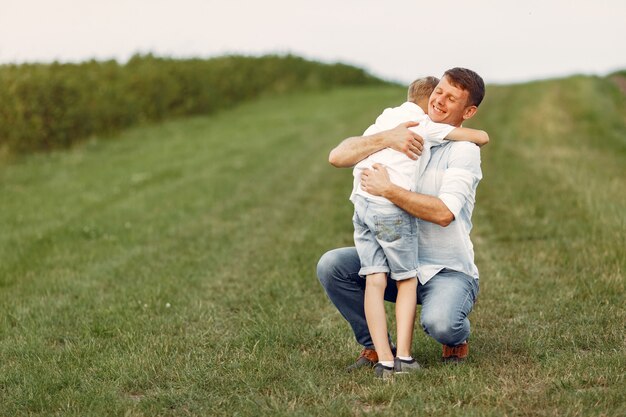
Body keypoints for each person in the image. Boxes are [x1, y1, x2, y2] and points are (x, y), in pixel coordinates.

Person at [319, 67, 486, 378]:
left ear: (469, 111)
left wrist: (388, 190)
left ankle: (456, 338)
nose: (440, 101)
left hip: (445, 270)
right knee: (332, 265)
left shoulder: (463, 151)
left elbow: (443, 213)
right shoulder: (402, 129)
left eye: (452, 99)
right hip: (398, 257)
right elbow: (338, 156)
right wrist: (386, 138)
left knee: (442, 323)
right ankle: (378, 348)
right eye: (439, 92)